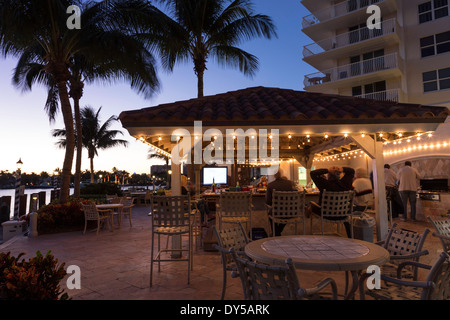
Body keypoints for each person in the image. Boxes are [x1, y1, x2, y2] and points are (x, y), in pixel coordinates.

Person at [308, 166, 355, 237]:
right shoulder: (345, 184)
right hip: (342, 214)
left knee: (312, 205)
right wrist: (341, 169)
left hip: (326, 214)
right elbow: (351, 171)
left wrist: (327, 170)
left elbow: (313, 173)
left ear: (328, 175)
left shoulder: (324, 184)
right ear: (339, 175)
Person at [266, 169, 296, 236]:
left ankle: (276, 233)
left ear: (274, 175)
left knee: (270, 214)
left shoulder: (270, 185)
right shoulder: (290, 183)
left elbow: (268, 202)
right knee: (285, 214)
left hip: (277, 213)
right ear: (281, 174)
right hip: (291, 212)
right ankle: (277, 233)